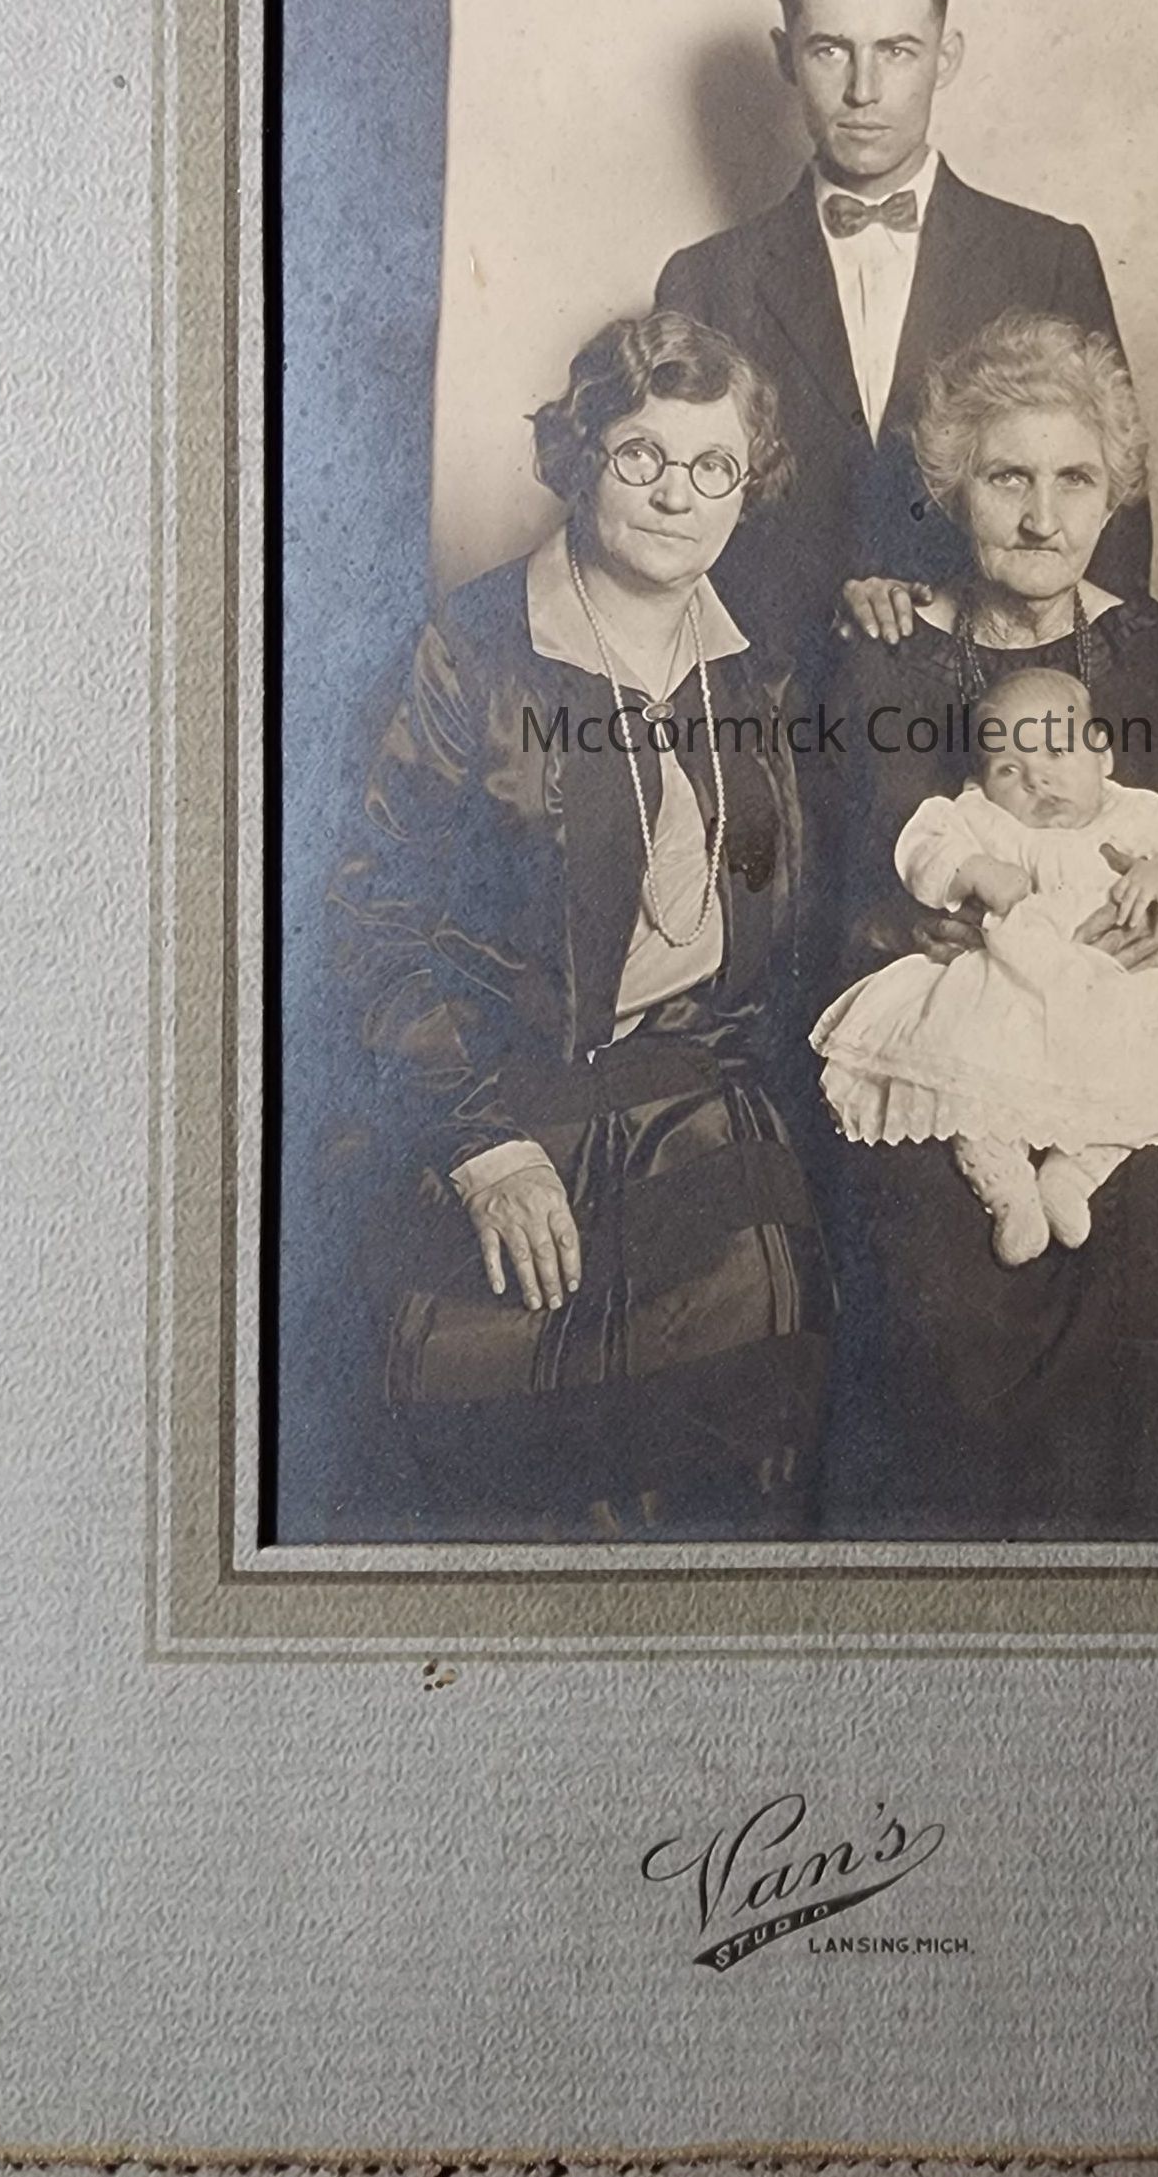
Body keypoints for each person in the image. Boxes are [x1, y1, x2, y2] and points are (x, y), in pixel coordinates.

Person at [328, 310, 830, 1540]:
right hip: (495, 1090)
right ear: (580, 455)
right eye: (641, 455)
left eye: (713, 465)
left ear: (748, 486)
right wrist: (483, 1147)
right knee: (494, 1415)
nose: (677, 495)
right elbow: (369, 913)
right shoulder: (471, 650)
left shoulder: (754, 671)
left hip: (692, 1088)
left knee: (750, 1368)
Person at [818, 310, 1158, 1541]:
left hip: (1121, 1031)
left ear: (1110, 492)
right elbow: (830, 892)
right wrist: (906, 933)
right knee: (940, 1216)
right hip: (962, 1041)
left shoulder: (1151, 649)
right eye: (1006, 479)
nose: (1041, 517)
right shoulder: (885, 651)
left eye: (1073, 479)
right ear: (948, 489)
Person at [655, 0, 1151, 661]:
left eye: (897, 50)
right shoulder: (704, 279)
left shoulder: (1048, 258)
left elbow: (1115, 517)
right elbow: (675, 530)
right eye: (830, 50)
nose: (864, 89)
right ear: (785, 56)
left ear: (946, 57)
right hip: (775, 697)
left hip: (993, 693)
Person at [810, 664, 1158, 1267]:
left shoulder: (1138, 815)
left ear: (1102, 753)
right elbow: (925, 844)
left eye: (1056, 751)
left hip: (1113, 990)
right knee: (965, 1072)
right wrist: (974, 871)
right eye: (1008, 769)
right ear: (981, 781)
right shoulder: (985, 819)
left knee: (1148, 1083)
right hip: (1007, 986)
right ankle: (1006, 1190)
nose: (1037, 779)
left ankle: (1073, 1176)